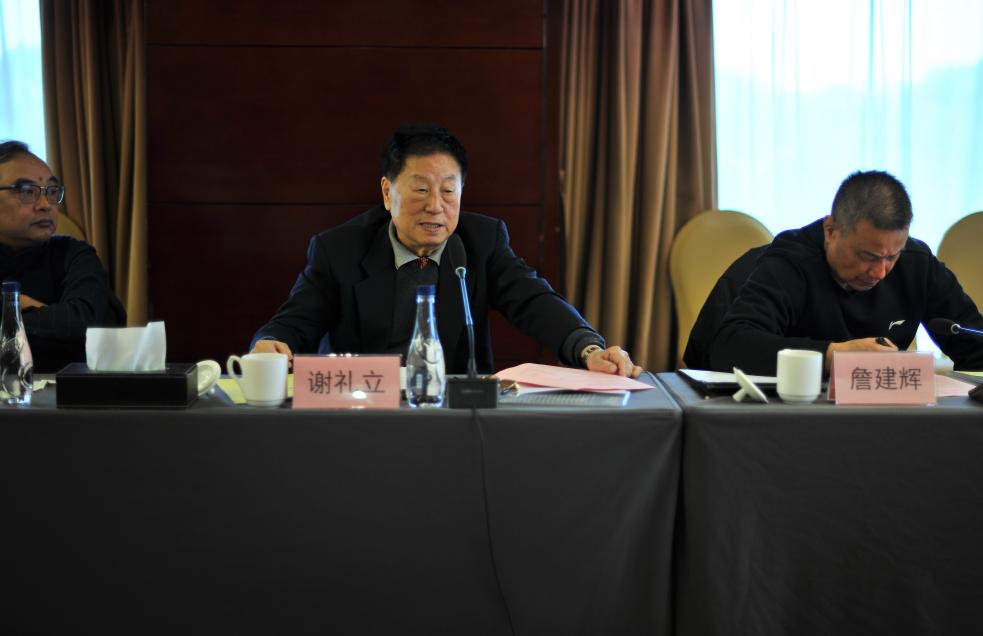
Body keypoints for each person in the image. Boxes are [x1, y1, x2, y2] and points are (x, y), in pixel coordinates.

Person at [251, 123, 641, 377]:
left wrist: (586, 347)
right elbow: (294, 322)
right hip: (362, 412)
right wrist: (271, 344)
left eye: (449, 191)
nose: (436, 206)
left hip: (455, 417)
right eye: (421, 190)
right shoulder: (339, 249)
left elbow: (534, 300)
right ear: (387, 192)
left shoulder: (482, 241)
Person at [706, 170, 983, 375]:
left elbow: (975, 344)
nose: (880, 272)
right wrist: (833, 355)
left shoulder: (917, 264)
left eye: (892, 256)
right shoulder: (789, 262)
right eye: (868, 256)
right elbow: (731, 347)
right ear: (831, 231)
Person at [0, 141, 125, 372]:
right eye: (27, 191)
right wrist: (45, 315)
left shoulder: (75, 255)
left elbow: (86, 325)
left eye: (51, 191)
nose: (45, 205)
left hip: (68, 392)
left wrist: (9, 312)